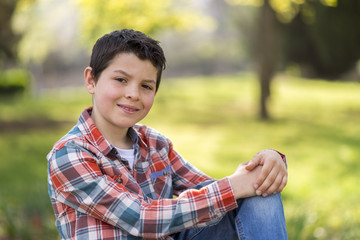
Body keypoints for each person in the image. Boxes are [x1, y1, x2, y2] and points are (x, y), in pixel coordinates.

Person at [47, 29, 288, 240]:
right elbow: (140, 218)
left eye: (146, 86)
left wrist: (266, 162)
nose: (133, 93)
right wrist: (234, 186)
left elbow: (217, 192)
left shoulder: (156, 144)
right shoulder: (69, 153)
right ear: (91, 80)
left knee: (259, 193)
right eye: (121, 79)